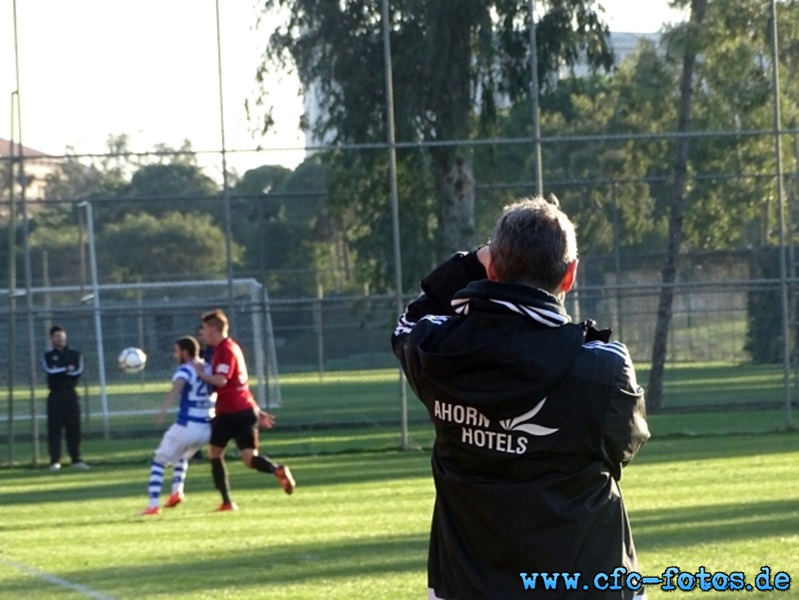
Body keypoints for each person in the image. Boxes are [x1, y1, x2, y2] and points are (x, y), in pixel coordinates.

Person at [391, 197, 650, 600]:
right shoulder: (602, 369)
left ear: (491, 268)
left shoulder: (437, 351)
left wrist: (470, 262)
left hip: (465, 585)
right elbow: (623, 448)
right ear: (570, 276)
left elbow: (408, 323)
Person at [195, 308, 295, 511]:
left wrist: (200, 373)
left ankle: (227, 502)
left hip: (229, 413)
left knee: (215, 453)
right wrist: (256, 409)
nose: (202, 333)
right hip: (245, 410)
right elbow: (241, 384)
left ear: (214, 329)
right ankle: (277, 470)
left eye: (205, 329)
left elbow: (221, 381)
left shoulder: (224, 350)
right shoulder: (233, 347)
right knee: (249, 459)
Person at [141, 336, 216, 516]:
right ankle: (176, 492)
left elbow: (178, 387)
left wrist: (163, 410)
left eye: (176, 351)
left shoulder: (185, 369)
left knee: (159, 461)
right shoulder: (208, 367)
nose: (175, 355)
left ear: (185, 352)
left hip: (188, 424)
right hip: (207, 427)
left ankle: (153, 505)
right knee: (181, 457)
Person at [41, 325, 89, 471]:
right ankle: (55, 461)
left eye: (61, 336)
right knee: (54, 429)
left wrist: (63, 370)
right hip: (55, 395)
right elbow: (51, 370)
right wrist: (66, 369)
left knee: (74, 428)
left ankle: (76, 459)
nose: (59, 339)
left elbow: (77, 371)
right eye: (56, 337)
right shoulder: (48, 356)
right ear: (51, 339)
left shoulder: (75, 354)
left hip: (71, 394)